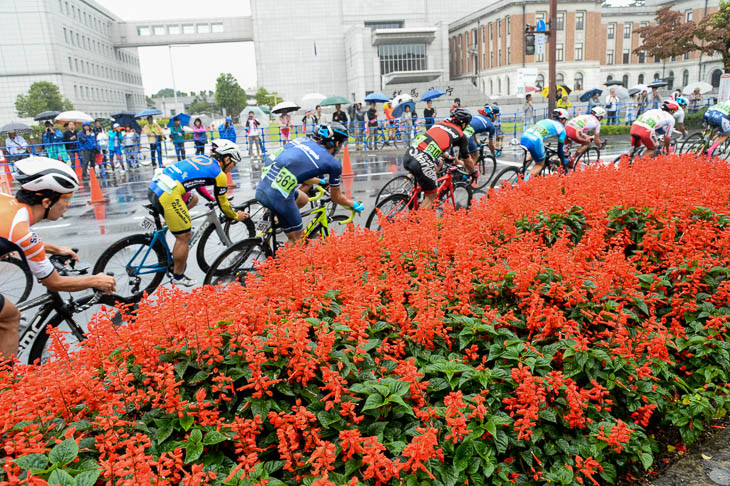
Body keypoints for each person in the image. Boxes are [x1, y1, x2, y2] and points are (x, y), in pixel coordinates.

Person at [0, 157, 116, 363]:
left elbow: (17, 238)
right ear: (47, 202)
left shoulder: (8, 203)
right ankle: (8, 388)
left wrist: (55, 248)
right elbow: (55, 282)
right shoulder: (23, 232)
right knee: (10, 317)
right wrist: (96, 280)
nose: (69, 205)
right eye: (66, 199)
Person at [148, 139, 248, 287]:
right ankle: (178, 276)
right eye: (234, 162)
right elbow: (223, 204)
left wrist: (210, 198)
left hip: (156, 186)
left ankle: (170, 220)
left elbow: (197, 184)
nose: (233, 167)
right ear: (226, 158)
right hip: (168, 195)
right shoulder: (219, 175)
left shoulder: (202, 159)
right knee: (184, 237)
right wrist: (235, 215)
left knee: (192, 198)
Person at [256, 123, 363, 243]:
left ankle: (276, 218)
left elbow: (295, 172)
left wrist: (320, 181)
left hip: (262, 186)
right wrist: (353, 204)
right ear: (337, 143)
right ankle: (282, 259)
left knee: (303, 199)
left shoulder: (302, 140)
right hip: (277, 196)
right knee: (297, 240)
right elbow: (336, 197)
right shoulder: (333, 164)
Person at [404, 108, 473, 210]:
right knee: (432, 195)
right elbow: (467, 160)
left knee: (425, 178)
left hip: (410, 153)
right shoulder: (461, 135)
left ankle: (408, 194)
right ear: (463, 124)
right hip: (422, 160)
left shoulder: (439, 124)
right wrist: (473, 172)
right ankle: (415, 223)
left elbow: (433, 142)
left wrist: (448, 157)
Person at [521, 108, 569, 181]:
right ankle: (523, 183)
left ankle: (519, 173)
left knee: (532, 154)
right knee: (539, 164)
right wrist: (563, 161)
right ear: (563, 120)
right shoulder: (562, 129)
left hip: (525, 135)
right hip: (536, 140)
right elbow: (560, 151)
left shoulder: (546, 120)